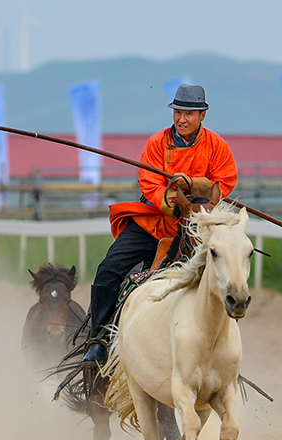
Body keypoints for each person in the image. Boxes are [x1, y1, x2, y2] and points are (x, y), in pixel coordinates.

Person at [81, 84, 238, 369]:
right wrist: (170, 199)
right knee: (108, 269)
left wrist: (191, 189)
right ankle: (98, 341)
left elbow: (223, 183)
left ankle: (221, 350)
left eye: (189, 113)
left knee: (220, 276)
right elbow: (149, 183)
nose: (182, 119)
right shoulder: (156, 143)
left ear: (202, 115)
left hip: (195, 225)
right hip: (154, 219)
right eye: (178, 112)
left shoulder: (217, 146)